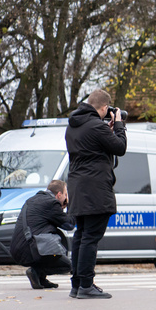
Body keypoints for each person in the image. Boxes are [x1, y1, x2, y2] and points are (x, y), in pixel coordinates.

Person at [65, 89, 127, 299]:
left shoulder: (73, 126)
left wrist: (107, 131)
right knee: (90, 238)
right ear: (104, 107)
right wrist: (119, 125)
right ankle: (86, 285)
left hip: (77, 187)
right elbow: (120, 147)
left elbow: (92, 149)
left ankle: (77, 285)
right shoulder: (96, 126)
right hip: (95, 189)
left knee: (81, 236)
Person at [10, 180, 74, 289]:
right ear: (59, 194)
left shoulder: (32, 200)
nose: (66, 198)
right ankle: (36, 271)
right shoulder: (52, 203)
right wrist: (70, 206)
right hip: (31, 249)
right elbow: (69, 224)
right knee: (68, 265)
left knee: (48, 236)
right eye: (65, 195)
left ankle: (41, 279)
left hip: (19, 248)